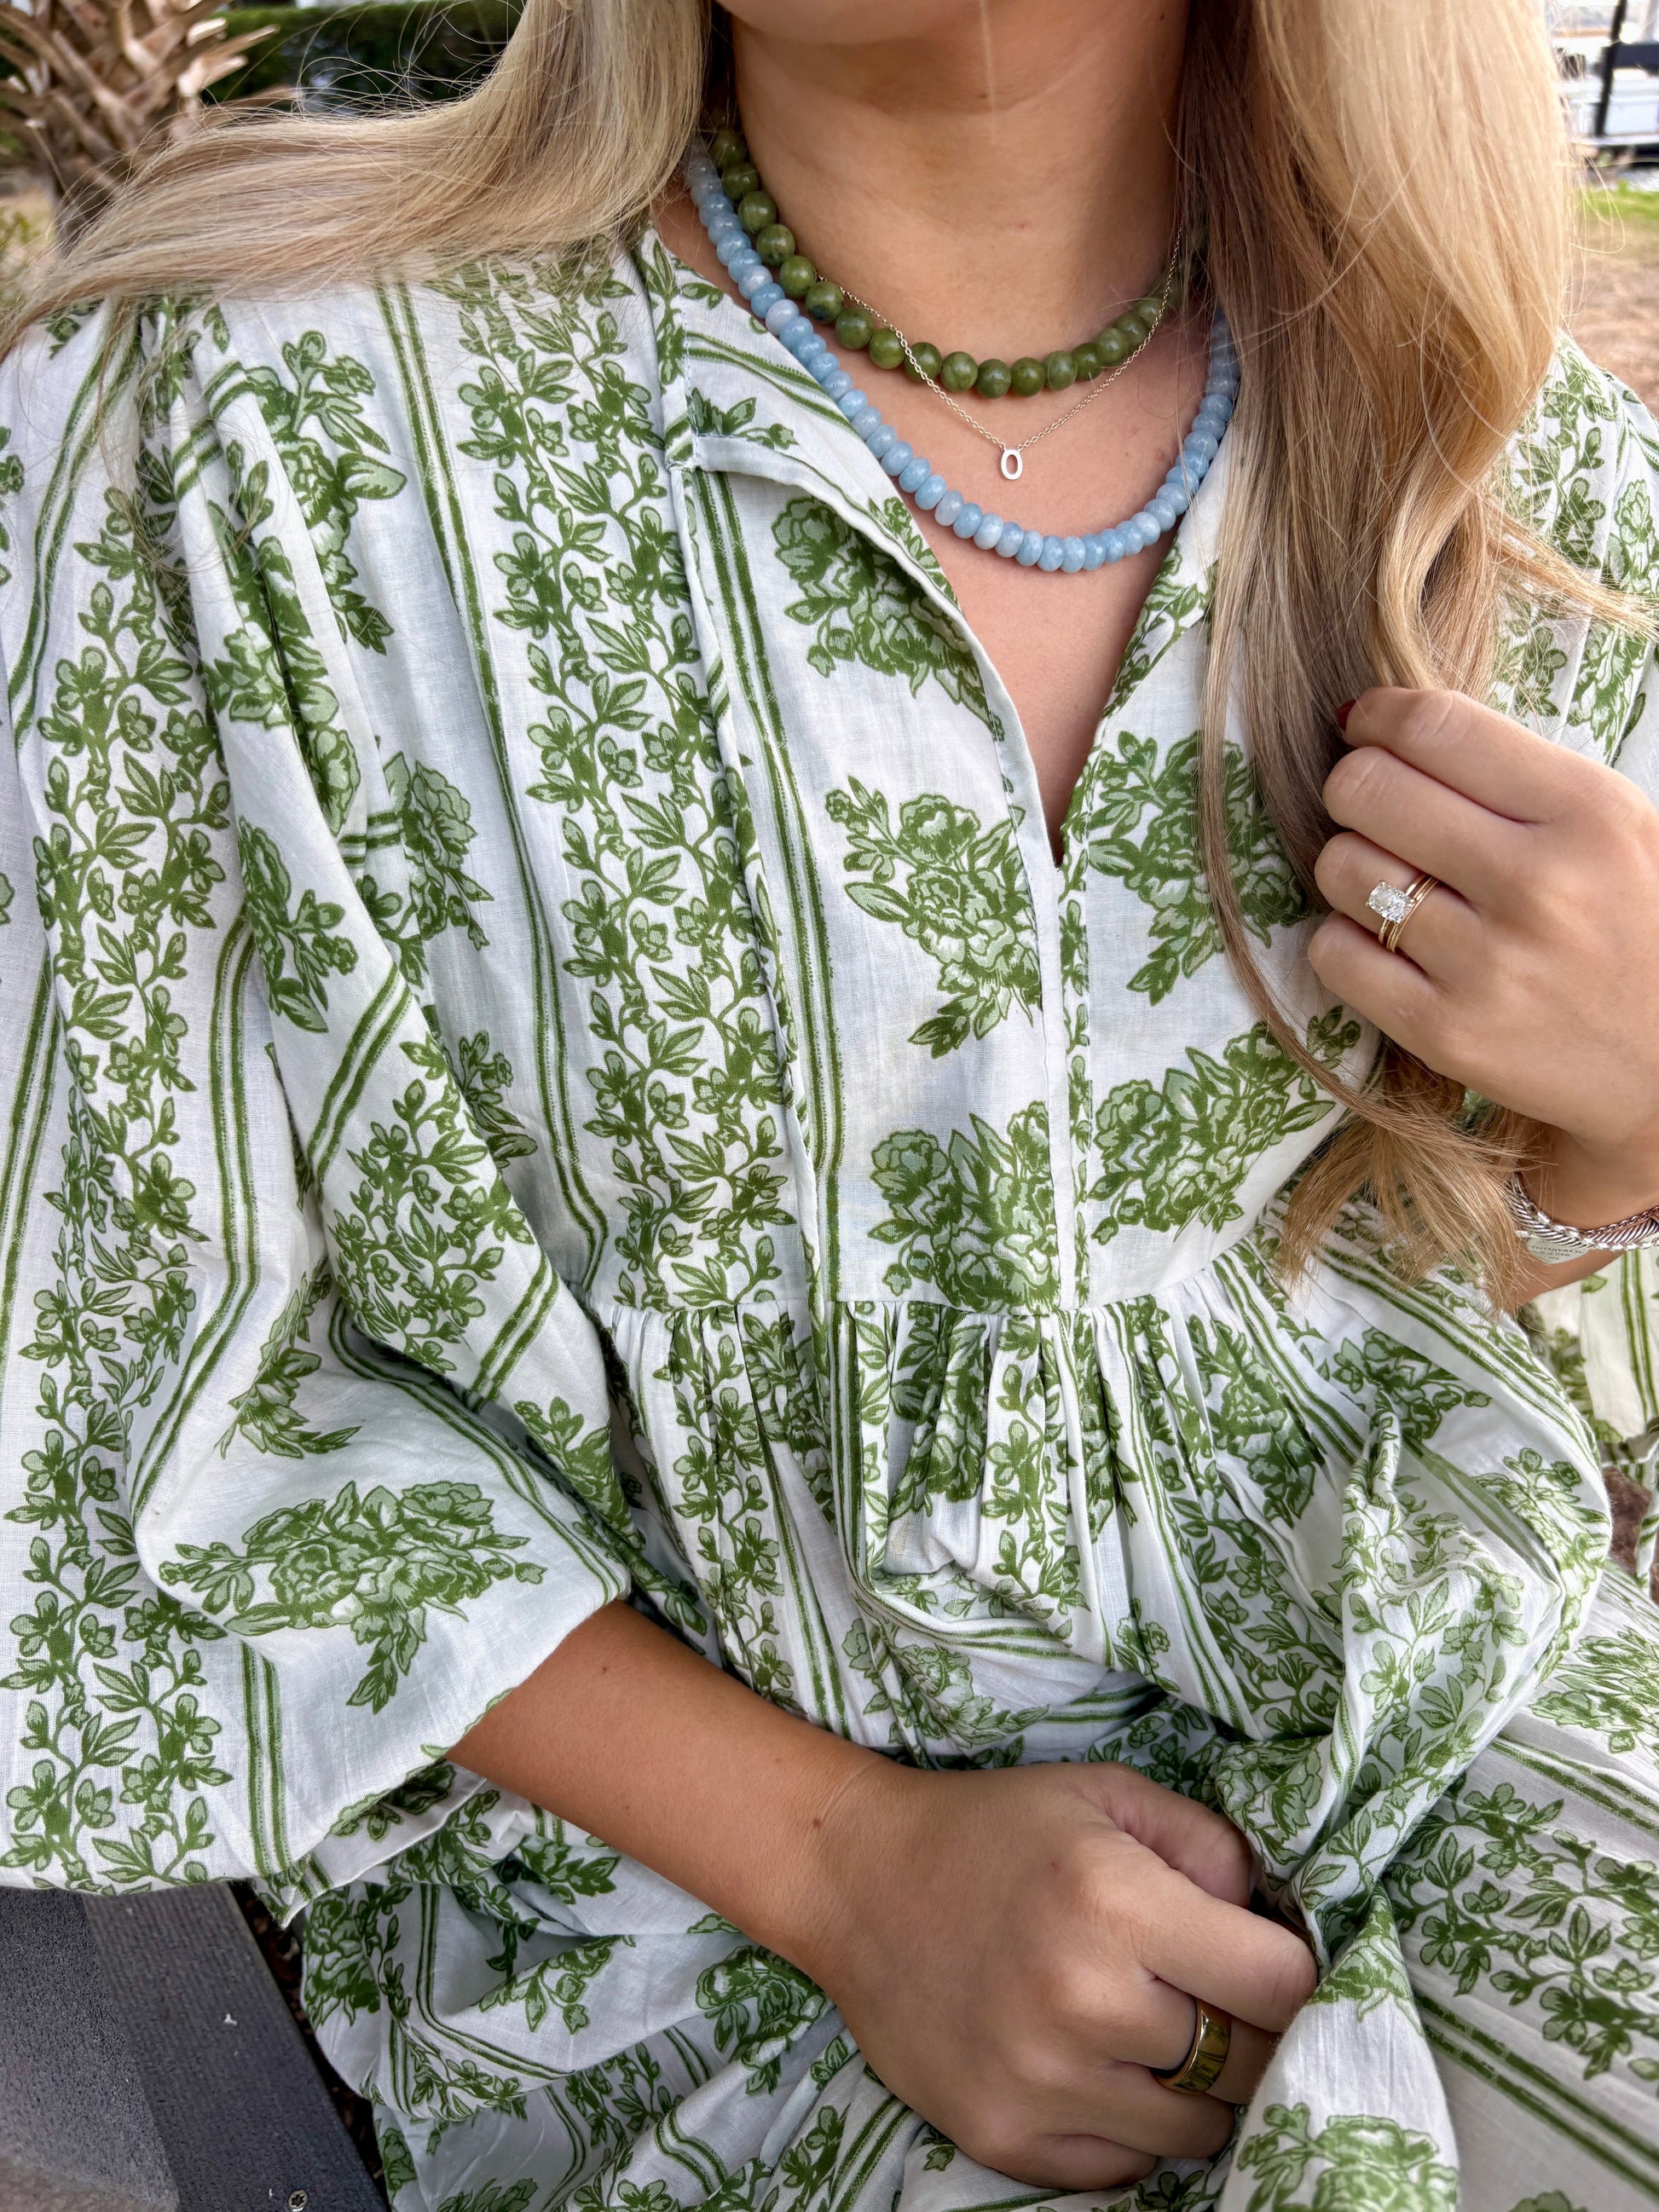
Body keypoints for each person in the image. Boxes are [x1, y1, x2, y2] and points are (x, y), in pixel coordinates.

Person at [3, 3, 1658, 2206]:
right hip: (678, 1950)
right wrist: (845, 1865)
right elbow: (138, 1386)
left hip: (1473, 1736)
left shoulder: (1506, 462)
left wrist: (1632, 1121)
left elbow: (1503, 1296)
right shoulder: (245, 437)